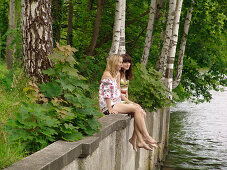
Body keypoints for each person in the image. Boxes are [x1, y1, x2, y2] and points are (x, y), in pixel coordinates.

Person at [99, 54, 157, 152]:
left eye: (122, 62)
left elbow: (117, 92)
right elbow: (106, 94)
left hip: (116, 103)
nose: (121, 65)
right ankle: (145, 137)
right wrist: (109, 108)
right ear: (114, 62)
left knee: (139, 111)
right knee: (136, 109)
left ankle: (139, 140)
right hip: (109, 106)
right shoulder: (107, 75)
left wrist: (129, 103)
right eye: (120, 62)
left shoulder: (115, 74)